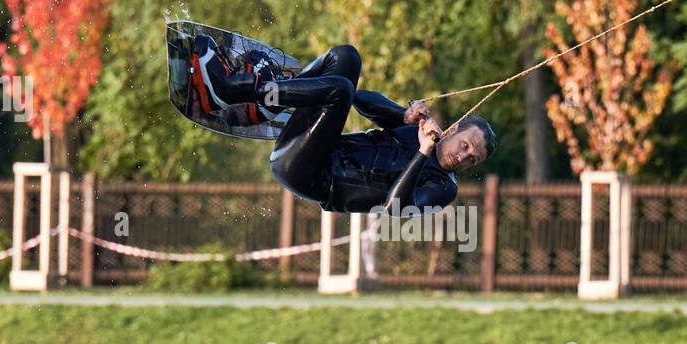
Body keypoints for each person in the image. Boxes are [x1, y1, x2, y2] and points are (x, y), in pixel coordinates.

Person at [193, 38, 496, 214]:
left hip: (309, 174)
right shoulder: (420, 131)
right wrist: (402, 117)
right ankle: (268, 101)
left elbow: (394, 209)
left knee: (339, 89)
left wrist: (422, 151)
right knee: (346, 58)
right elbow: (360, 99)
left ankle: (234, 90)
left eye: (474, 159)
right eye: (467, 145)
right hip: (313, 145)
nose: (465, 156)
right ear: (454, 130)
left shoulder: (443, 188)